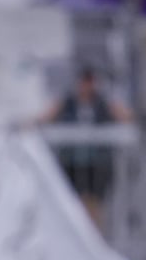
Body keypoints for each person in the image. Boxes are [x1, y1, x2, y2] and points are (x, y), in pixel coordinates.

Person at [38, 67, 133, 230]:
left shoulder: (103, 103)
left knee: (94, 203)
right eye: (84, 82)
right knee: (73, 203)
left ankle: (93, 238)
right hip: (73, 162)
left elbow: (126, 117)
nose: (87, 87)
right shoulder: (67, 102)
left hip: (97, 163)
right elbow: (46, 117)